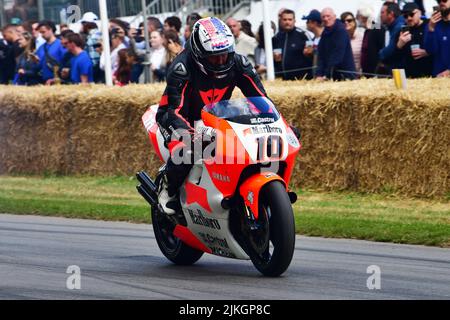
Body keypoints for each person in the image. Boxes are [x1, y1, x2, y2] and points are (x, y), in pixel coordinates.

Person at [155, 17, 268, 215]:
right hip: (176, 117)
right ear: (199, 54)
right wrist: (190, 134)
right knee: (189, 148)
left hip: (213, 117)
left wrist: (279, 123)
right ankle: (168, 189)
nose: (221, 60)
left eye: (225, 54)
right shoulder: (182, 68)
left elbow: (263, 101)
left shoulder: (239, 63)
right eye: (214, 57)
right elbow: (174, 110)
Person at [316, 8, 356, 80]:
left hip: (344, 76)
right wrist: (319, 74)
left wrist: (326, 75)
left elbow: (338, 55)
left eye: (328, 16)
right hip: (331, 75)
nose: (326, 18)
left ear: (334, 17)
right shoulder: (325, 32)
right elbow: (321, 55)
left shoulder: (341, 31)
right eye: (323, 17)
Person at [395, 2, 433, 78]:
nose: (409, 18)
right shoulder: (403, 31)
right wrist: (399, 45)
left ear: (419, 13)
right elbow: (395, 58)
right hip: (410, 76)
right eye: (405, 16)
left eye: (412, 14)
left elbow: (441, 46)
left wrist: (427, 52)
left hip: (429, 73)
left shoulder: (429, 25)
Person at [35, 20, 67, 85]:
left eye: (43, 32)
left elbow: (67, 64)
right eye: (40, 33)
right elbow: (38, 66)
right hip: (44, 81)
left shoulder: (61, 45)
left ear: (51, 30)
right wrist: (35, 61)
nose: (42, 35)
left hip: (59, 81)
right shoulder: (40, 48)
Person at [424, 0, 450, 77]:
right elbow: (430, 50)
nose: (441, 2)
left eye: (445, 0)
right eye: (439, 0)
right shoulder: (432, 24)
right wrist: (431, 29)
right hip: (438, 77)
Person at [378, 2, 405, 72]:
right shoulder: (390, 27)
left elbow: (391, 50)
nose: (380, 15)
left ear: (391, 14)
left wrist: (381, 53)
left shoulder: (399, 27)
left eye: (382, 12)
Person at [302, 9, 323, 77]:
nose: (306, 23)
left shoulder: (326, 38)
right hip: (316, 76)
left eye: (308, 21)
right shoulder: (313, 39)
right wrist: (309, 54)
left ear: (314, 23)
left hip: (324, 76)